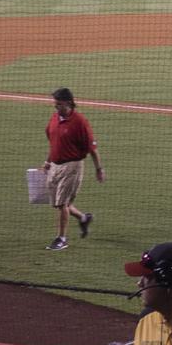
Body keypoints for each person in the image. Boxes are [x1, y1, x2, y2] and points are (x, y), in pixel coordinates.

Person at [44, 88, 104, 251]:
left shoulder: (80, 122)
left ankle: (61, 238)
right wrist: (48, 162)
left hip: (72, 165)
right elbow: (54, 143)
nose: (55, 107)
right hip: (55, 165)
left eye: (58, 104)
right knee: (58, 203)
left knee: (62, 203)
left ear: (69, 102)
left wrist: (99, 169)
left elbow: (92, 148)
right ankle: (83, 218)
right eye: (55, 103)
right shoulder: (55, 118)